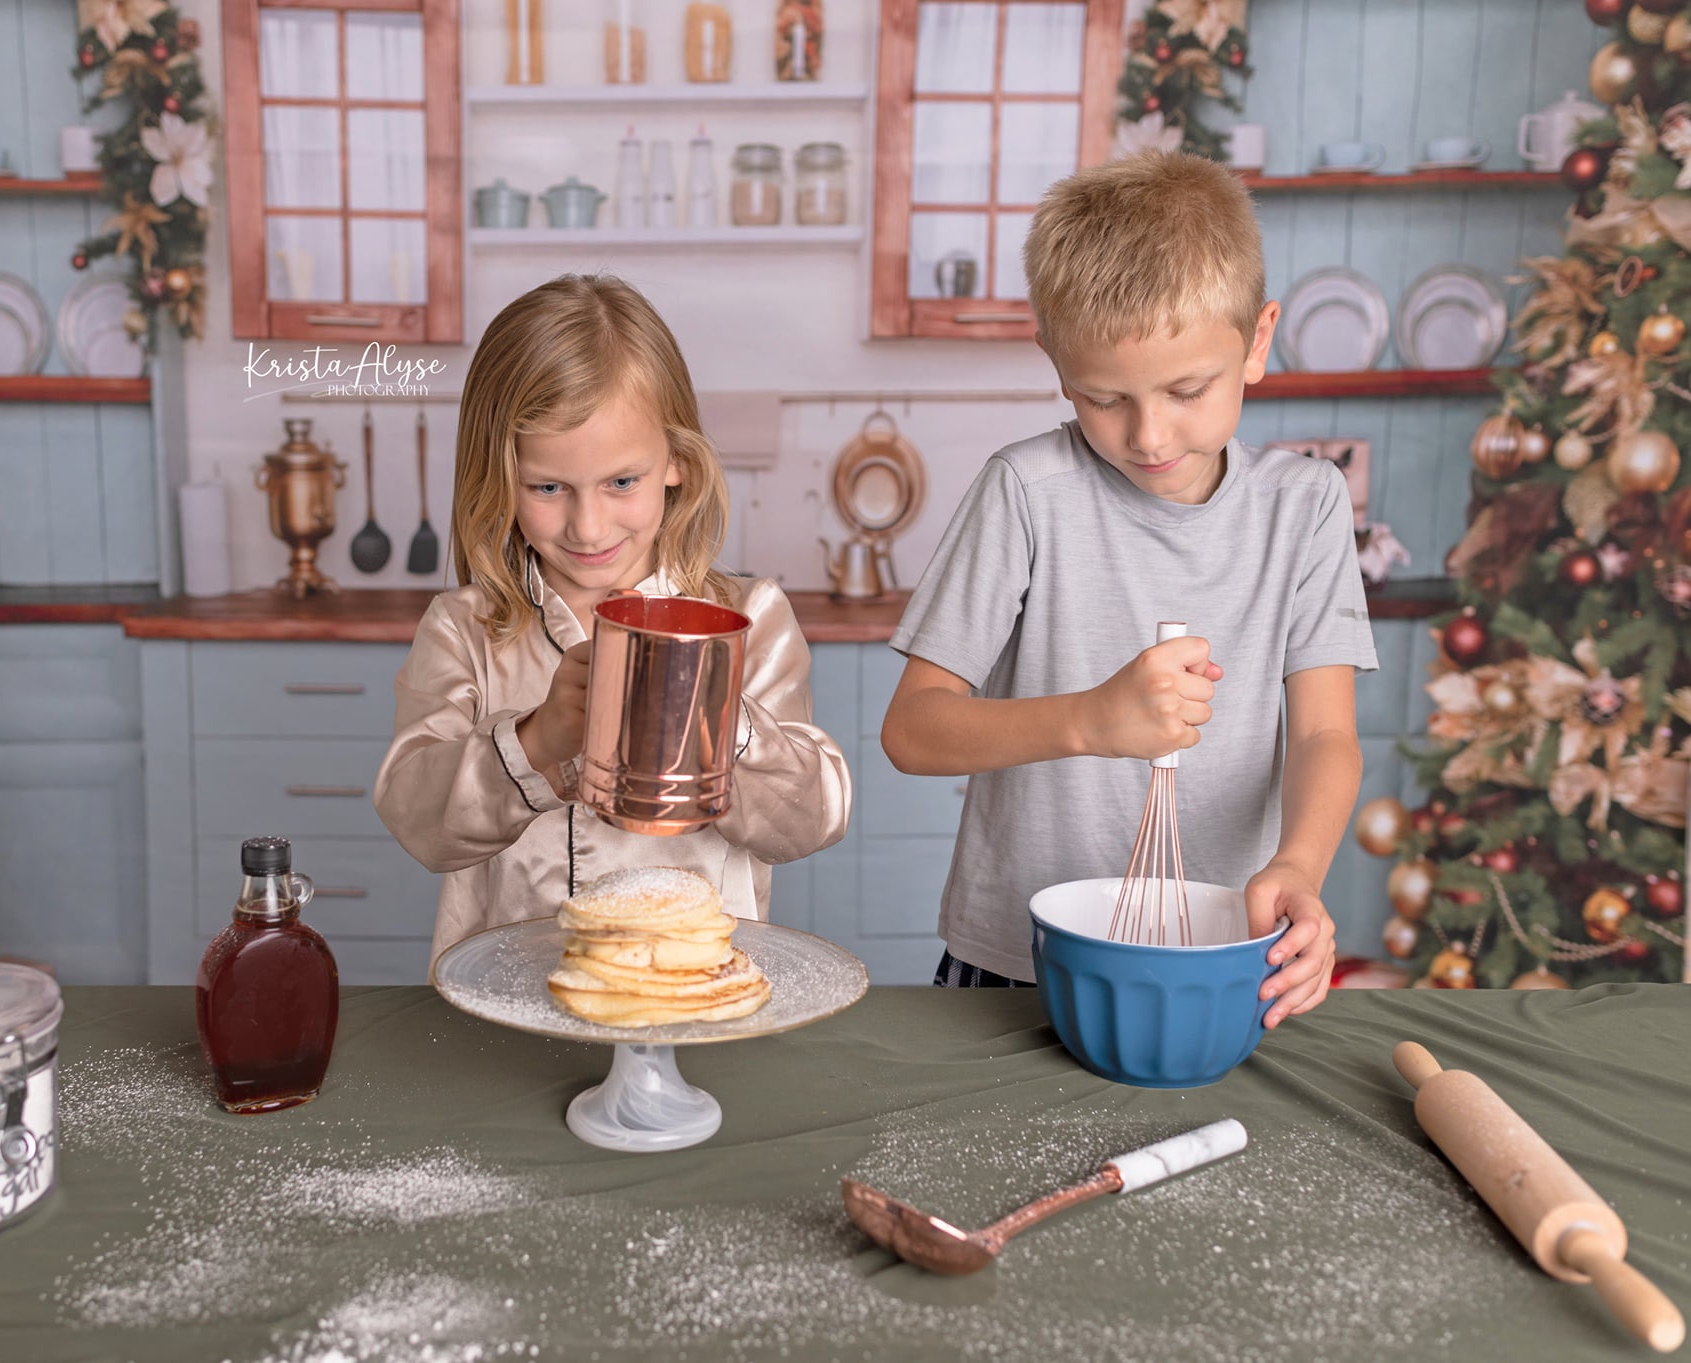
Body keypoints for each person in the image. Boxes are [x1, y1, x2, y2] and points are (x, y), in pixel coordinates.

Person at [880, 151, 1377, 1028]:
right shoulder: (1026, 492)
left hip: (1218, 952)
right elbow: (912, 730)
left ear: (1258, 341)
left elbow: (1325, 734)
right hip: (1016, 962)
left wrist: (1298, 866)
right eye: (1103, 398)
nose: (1148, 435)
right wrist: (1090, 720)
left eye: (1188, 390)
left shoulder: (1305, 507)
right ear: (1054, 360)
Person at [375, 274, 851, 965]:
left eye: (621, 482)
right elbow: (418, 822)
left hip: (690, 999)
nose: (589, 526)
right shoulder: (463, 628)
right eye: (548, 487)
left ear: (676, 462)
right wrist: (536, 742)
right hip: (506, 998)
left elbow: (810, 822)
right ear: (499, 479)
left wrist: (716, 713)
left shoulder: (750, 619)